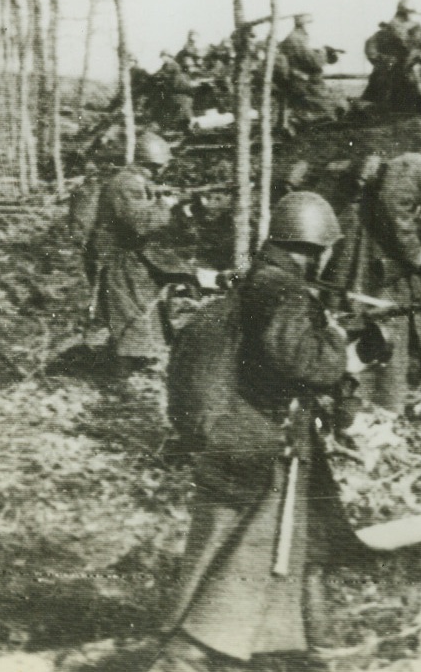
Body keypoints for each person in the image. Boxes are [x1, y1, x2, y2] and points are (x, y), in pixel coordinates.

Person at [153, 192, 367, 672]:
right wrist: (337, 345)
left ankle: (300, 640)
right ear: (317, 246)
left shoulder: (258, 278)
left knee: (291, 540)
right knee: (249, 549)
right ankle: (191, 650)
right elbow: (301, 361)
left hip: (242, 429)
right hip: (264, 436)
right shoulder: (285, 290)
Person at [325, 122, 421, 413]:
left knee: (418, 311)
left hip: (383, 249)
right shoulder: (416, 165)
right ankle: (374, 399)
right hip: (368, 250)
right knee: (377, 317)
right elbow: (393, 207)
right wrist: (415, 253)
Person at [90, 131, 188, 377]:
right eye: (162, 165)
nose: (164, 169)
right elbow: (140, 222)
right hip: (117, 259)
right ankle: (121, 376)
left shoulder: (134, 182)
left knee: (141, 309)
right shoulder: (126, 184)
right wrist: (165, 205)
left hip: (128, 256)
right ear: (153, 164)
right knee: (128, 315)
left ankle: (137, 364)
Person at [277, 14, 341, 128]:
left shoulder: (299, 38)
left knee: (335, 102)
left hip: (305, 82)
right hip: (303, 83)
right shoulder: (296, 39)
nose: (312, 26)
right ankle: (301, 125)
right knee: (328, 107)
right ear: (302, 25)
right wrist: (324, 52)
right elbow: (313, 62)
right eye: (310, 23)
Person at [363, 0, 421, 109]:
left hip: (406, 76)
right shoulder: (385, 31)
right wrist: (386, 60)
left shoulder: (416, 30)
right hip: (388, 77)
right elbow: (370, 49)